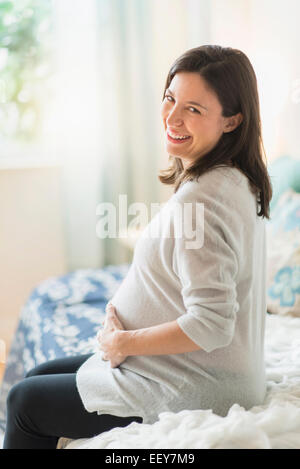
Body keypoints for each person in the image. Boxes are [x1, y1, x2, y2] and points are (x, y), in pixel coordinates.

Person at [3, 45, 272, 449]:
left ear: (232, 120)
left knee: (24, 401)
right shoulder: (235, 179)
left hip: (196, 383)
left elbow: (212, 324)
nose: (173, 117)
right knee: (38, 376)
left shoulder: (201, 200)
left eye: (194, 109)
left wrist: (123, 342)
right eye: (170, 99)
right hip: (196, 369)